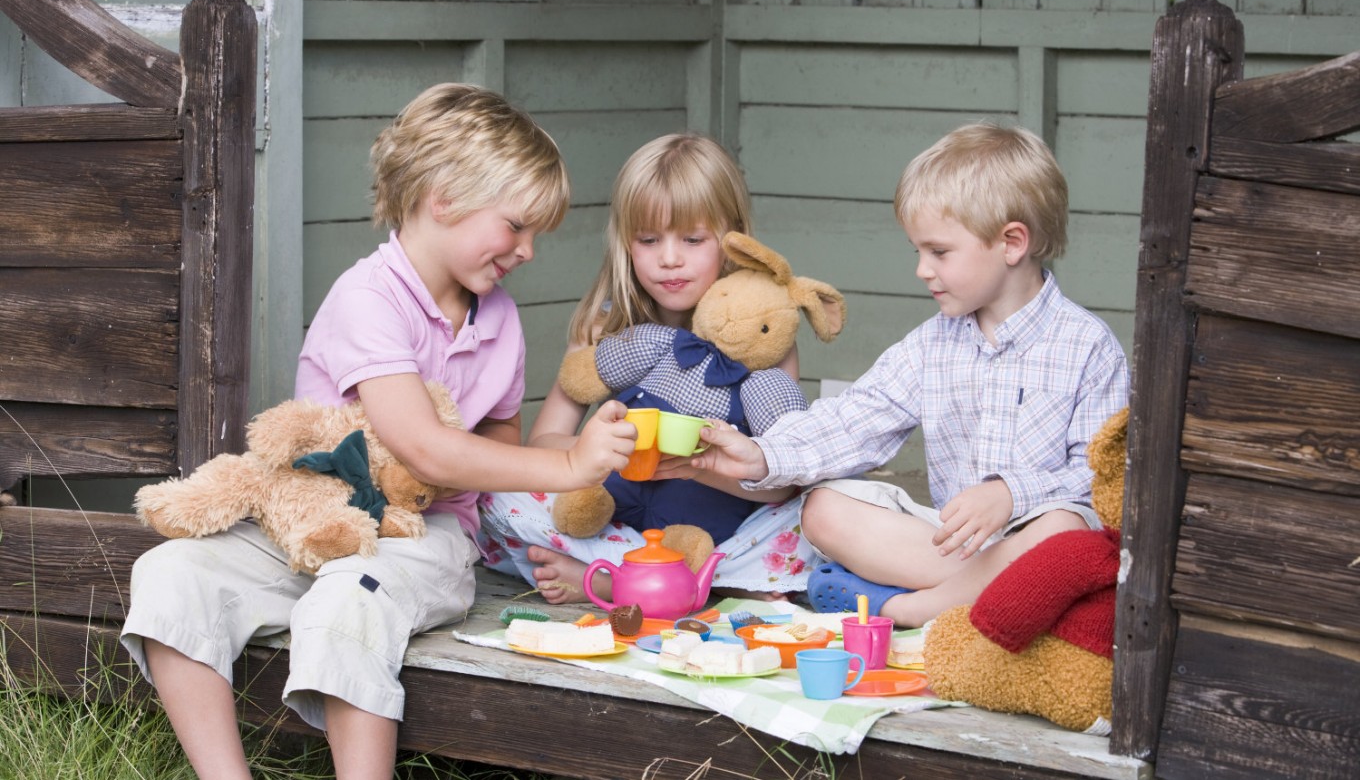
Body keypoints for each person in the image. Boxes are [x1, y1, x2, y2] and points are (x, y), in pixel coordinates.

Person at [120, 83, 635, 780]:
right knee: (169, 572)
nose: (528, 250)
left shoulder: (498, 319)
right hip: (313, 523)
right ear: (443, 198)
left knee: (350, 595)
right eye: (516, 226)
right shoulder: (368, 298)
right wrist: (573, 464)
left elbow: (496, 449)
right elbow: (422, 443)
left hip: (422, 539)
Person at [692, 123, 1129, 628]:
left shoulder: (1089, 347)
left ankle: (908, 608)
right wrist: (760, 453)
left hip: (1042, 544)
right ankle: (977, 598)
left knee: (1066, 531)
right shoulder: (932, 344)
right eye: (917, 251)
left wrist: (1012, 493)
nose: (922, 269)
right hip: (950, 548)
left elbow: (1103, 480)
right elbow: (853, 420)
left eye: (939, 252)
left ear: (1011, 242)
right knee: (824, 509)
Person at [478, 133, 822, 604]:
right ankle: (689, 585)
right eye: (648, 239)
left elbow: (779, 483)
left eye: (693, 239)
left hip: (713, 530)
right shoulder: (605, 327)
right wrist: (609, 446)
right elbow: (542, 445)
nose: (669, 258)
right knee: (496, 498)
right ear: (626, 242)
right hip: (615, 517)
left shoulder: (762, 334)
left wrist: (699, 467)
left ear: (733, 239)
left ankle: (618, 581)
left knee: (818, 511)